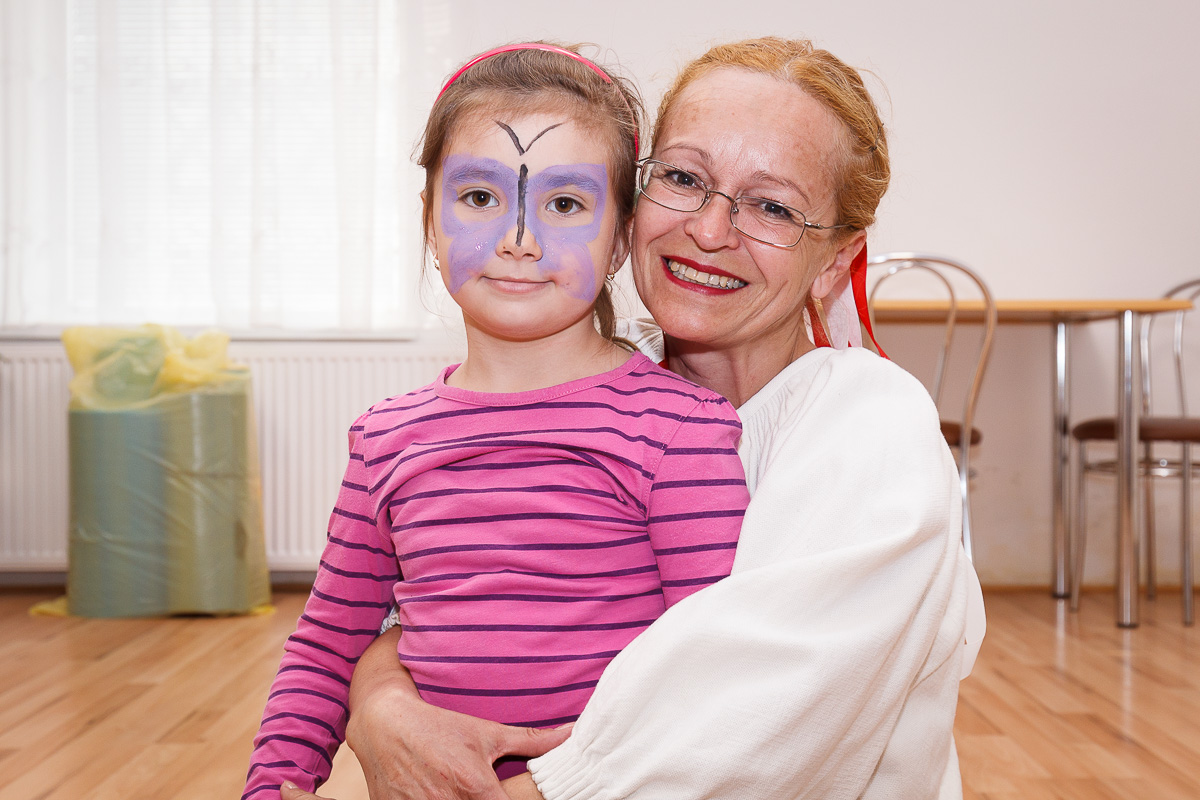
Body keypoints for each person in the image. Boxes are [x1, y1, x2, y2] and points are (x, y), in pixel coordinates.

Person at [284, 35, 985, 800]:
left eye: (773, 206)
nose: (710, 231)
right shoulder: (598, 397)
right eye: (683, 177)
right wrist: (378, 698)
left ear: (835, 262)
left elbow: (730, 711)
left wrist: (387, 709)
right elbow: (442, 604)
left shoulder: (871, 427)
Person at [243, 42, 752, 799]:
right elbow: (327, 642)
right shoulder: (384, 438)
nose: (519, 239)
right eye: (480, 197)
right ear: (429, 221)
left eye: (565, 204)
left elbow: (714, 665)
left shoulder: (680, 430)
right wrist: (274, 781)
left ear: (620, 238)